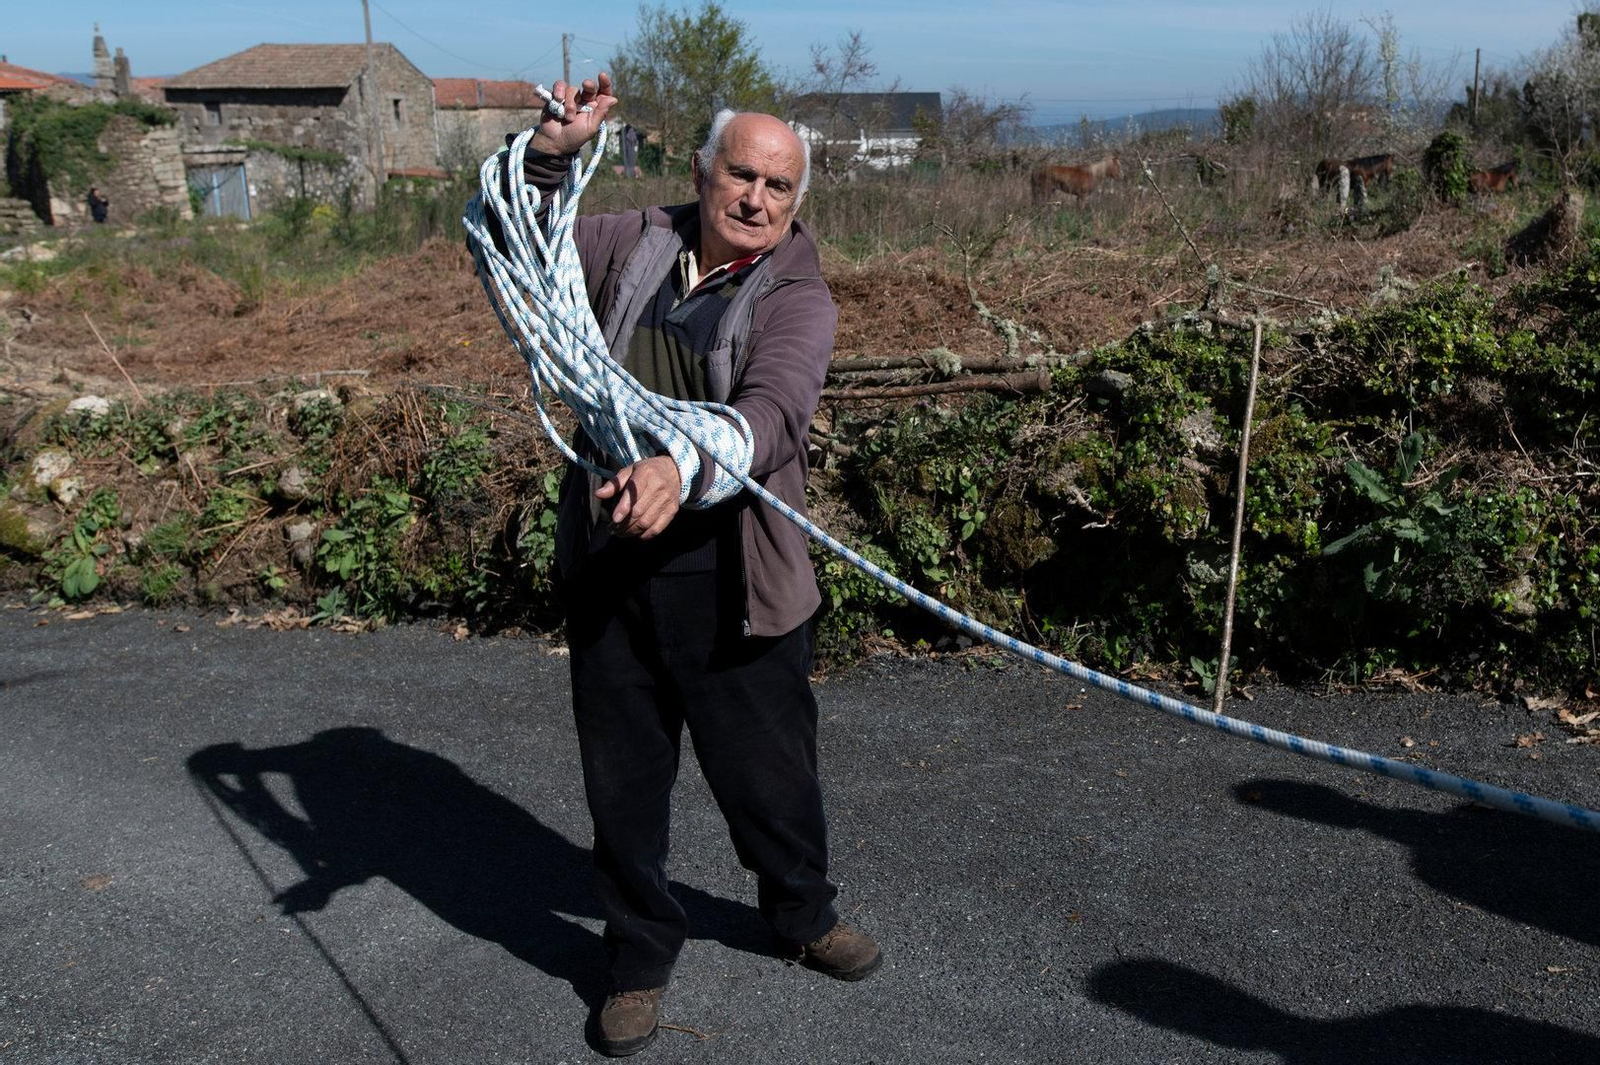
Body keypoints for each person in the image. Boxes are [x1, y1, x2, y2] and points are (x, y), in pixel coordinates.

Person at [501, 74, 881, 1057]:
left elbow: (773, 413)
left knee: (770, 778)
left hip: (733, 574)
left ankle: (800, 913)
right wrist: (553, 151)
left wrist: (679, 465)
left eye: (779, 187)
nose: (757, 200)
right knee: (623, 784)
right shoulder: (633, 240)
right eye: (742, 175)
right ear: (703, 171)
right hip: (613, 565)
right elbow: (518, 248)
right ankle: (635, 957)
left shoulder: (799, 293)